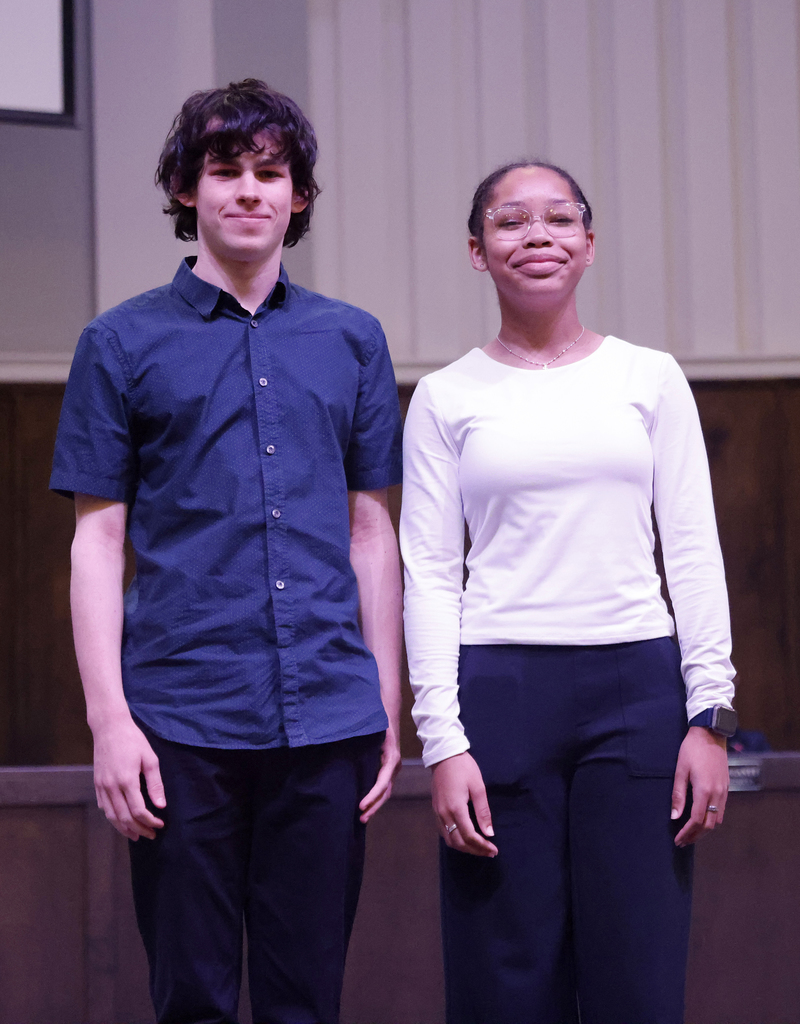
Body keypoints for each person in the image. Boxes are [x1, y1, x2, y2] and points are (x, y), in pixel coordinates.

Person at [50, 79, 403, 1024]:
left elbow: (373, 534)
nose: (248, 189)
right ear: (183, 190)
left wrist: (387, 703)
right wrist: (109, 724)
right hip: (180, 717)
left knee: (306, 998)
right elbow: (97, 541)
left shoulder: (353, 339)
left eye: (270, 171)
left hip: (328, 716)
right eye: (224, 170)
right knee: (193, 997)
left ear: (298, 197)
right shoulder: (120, 341)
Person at [400, 161, 736, 1024]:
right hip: (500, 693)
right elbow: (431, 575)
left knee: (639, 970)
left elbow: (692, 549)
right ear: (478, 252)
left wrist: (709, 716)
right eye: (511, 221)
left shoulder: (649, 378)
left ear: (590, 242)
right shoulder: (445, 398)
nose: (537, 235)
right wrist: (442, 742)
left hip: (635, 690)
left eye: (559, 218)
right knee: (503, 978)